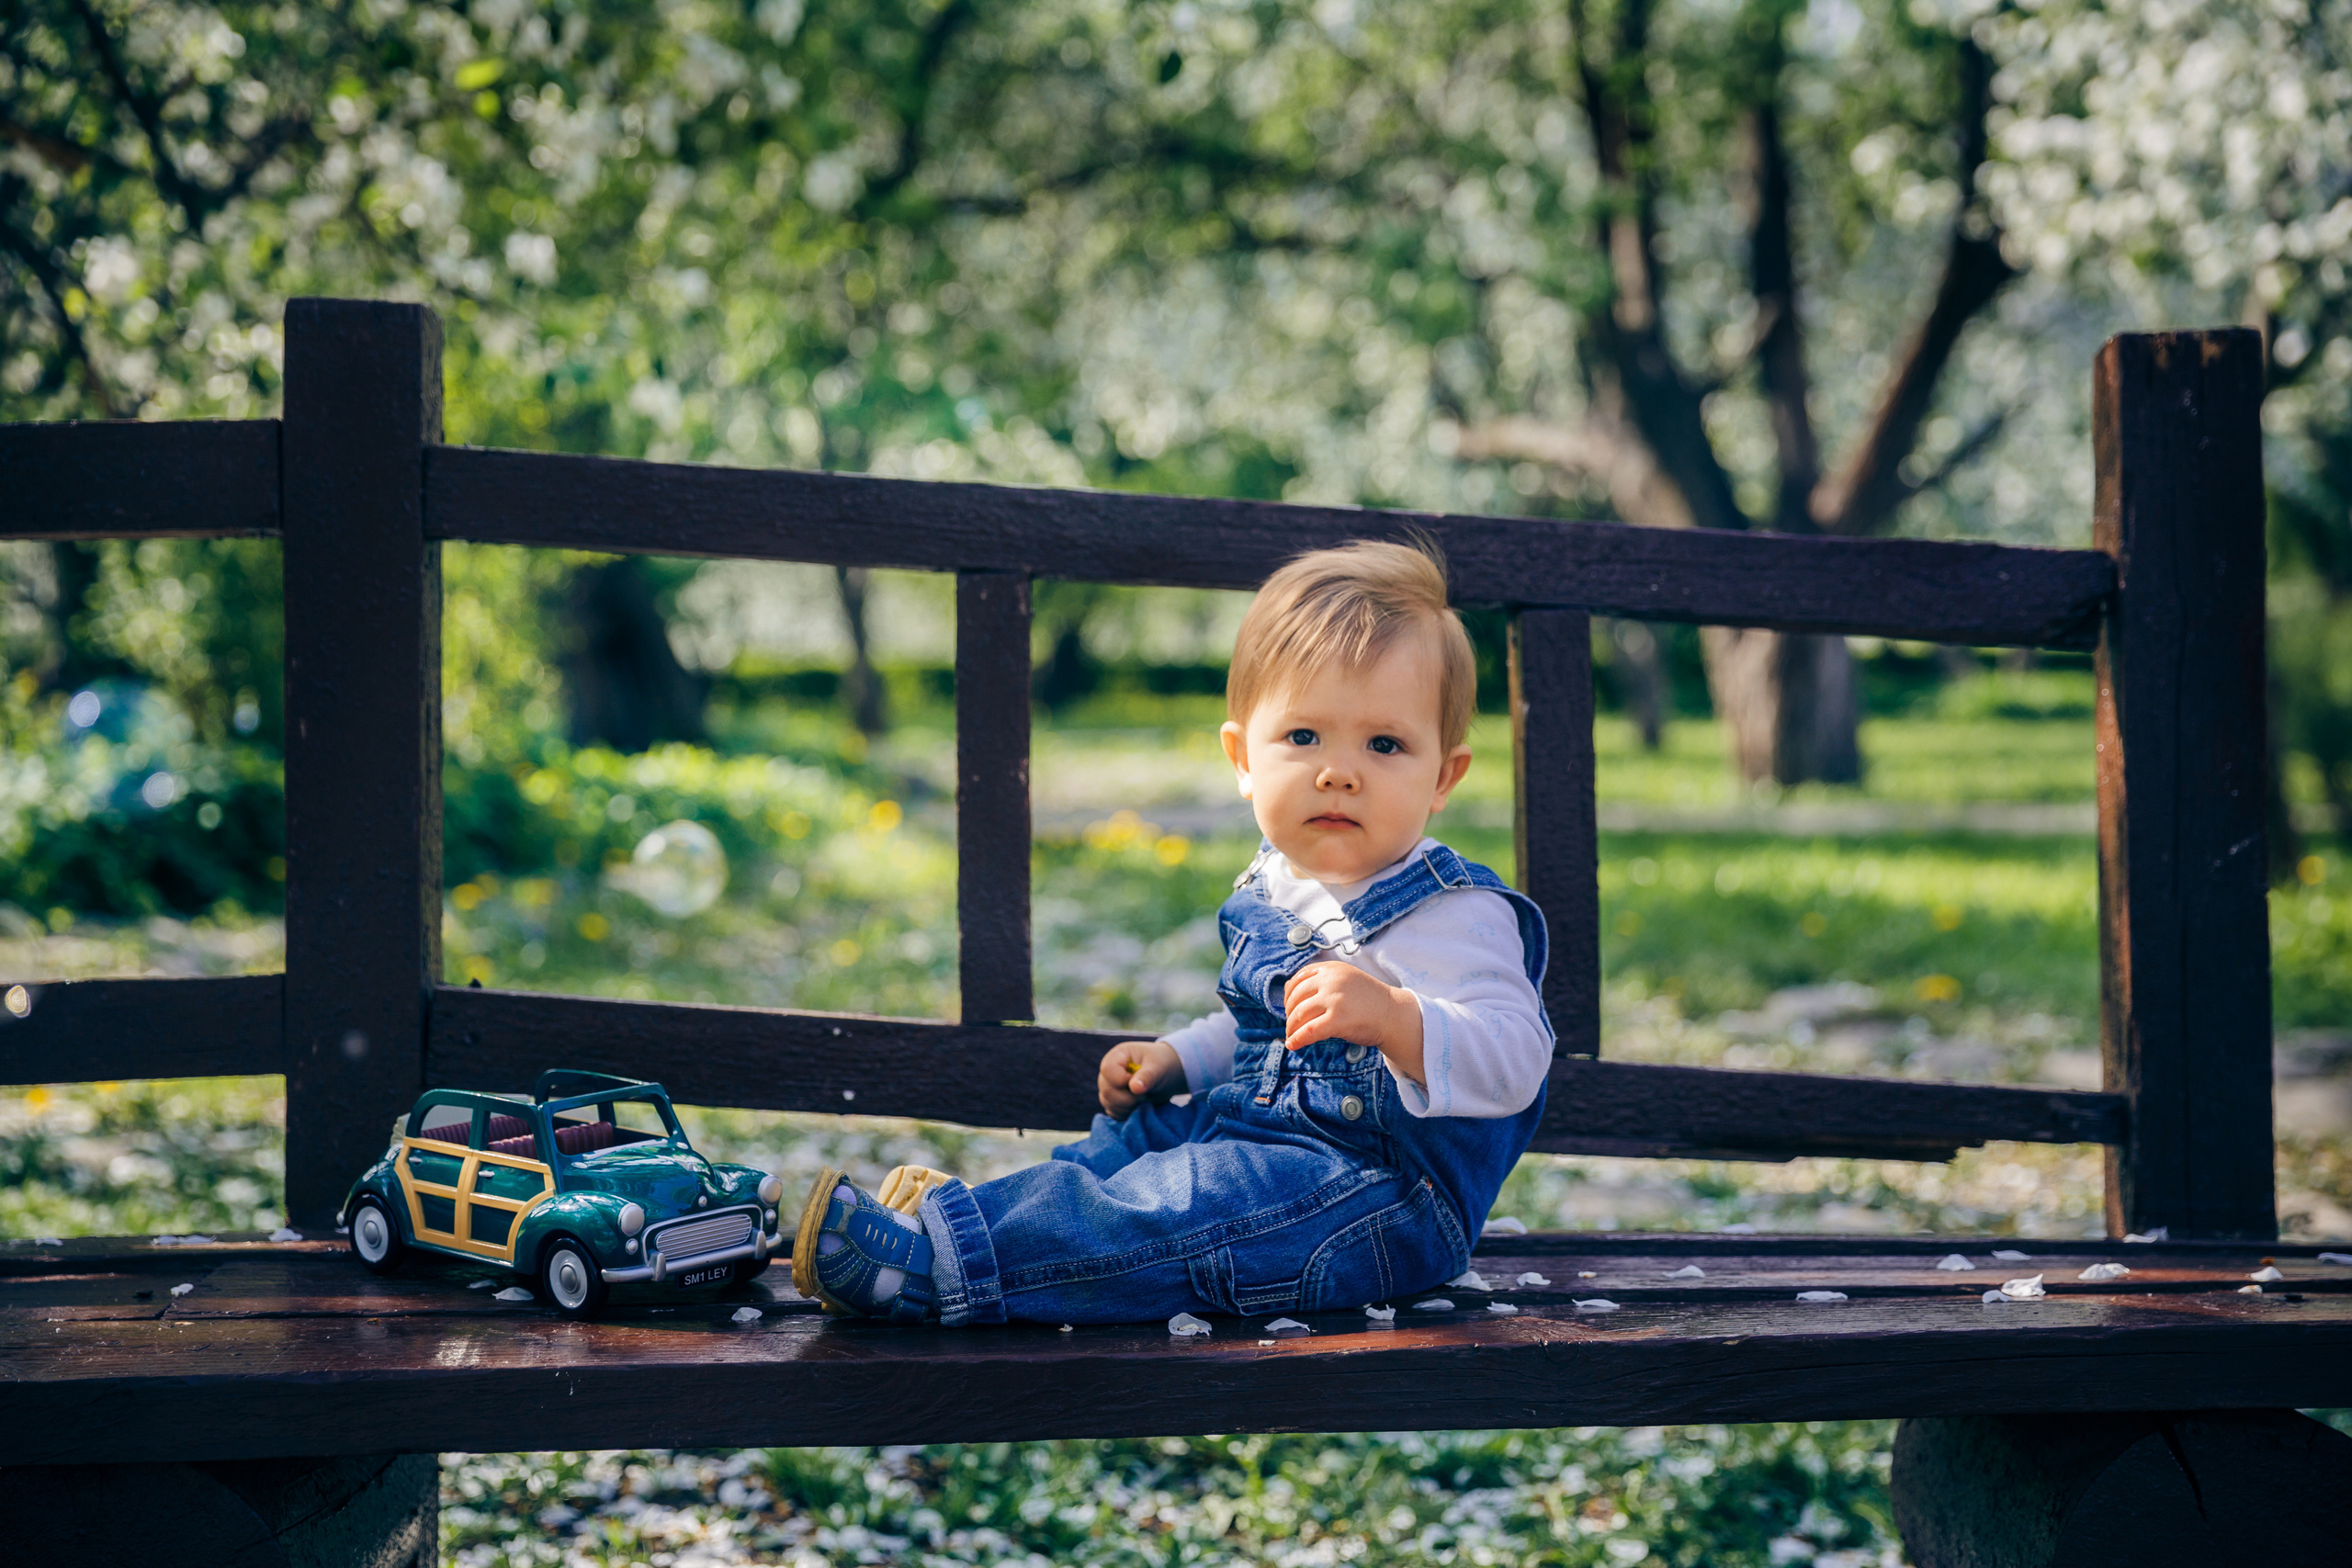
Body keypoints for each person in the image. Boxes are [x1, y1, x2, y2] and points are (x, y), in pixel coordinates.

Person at [791, 538, 1553, 1325]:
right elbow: (1269, 1026)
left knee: (1183, 1202)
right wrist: (1181, 1056)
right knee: (1139, 1141)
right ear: (1243, 758)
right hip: (1261, 1144)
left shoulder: (1454, 912)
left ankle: (932, 1268)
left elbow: (1518, 1056)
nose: (1339, 771)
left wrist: (1400, 1020)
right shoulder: (1278, 883)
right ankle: (955, 1228)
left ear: (1442, 777)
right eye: (1303, 737)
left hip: (1374, 1202)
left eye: (1384, 744)